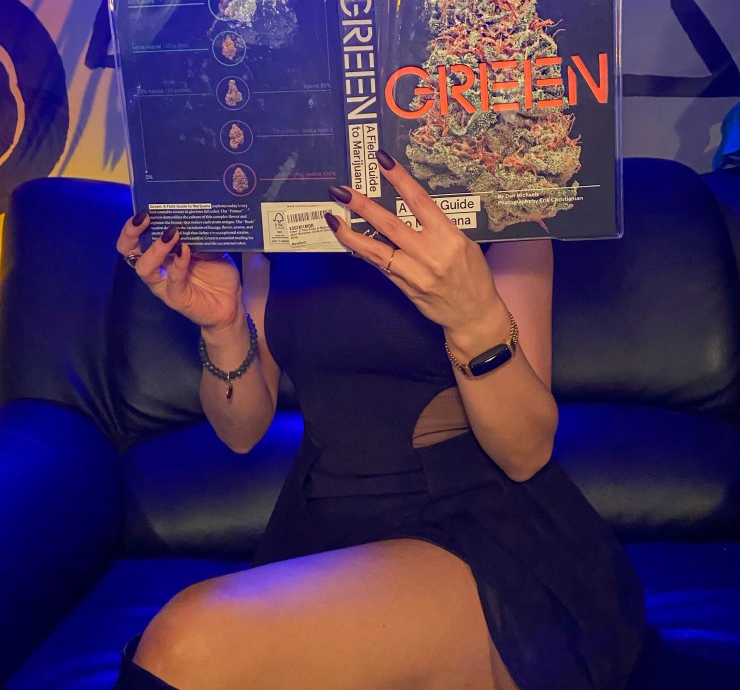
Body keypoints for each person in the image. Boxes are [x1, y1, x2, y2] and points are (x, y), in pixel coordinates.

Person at [114, 148, 646, 690]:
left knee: (186, 644)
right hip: (318, 525)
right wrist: (222, 326)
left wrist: (475, 320)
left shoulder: (502, 196)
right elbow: (241, 431)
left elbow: (525, 452)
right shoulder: (276, 204)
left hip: (478, 530)